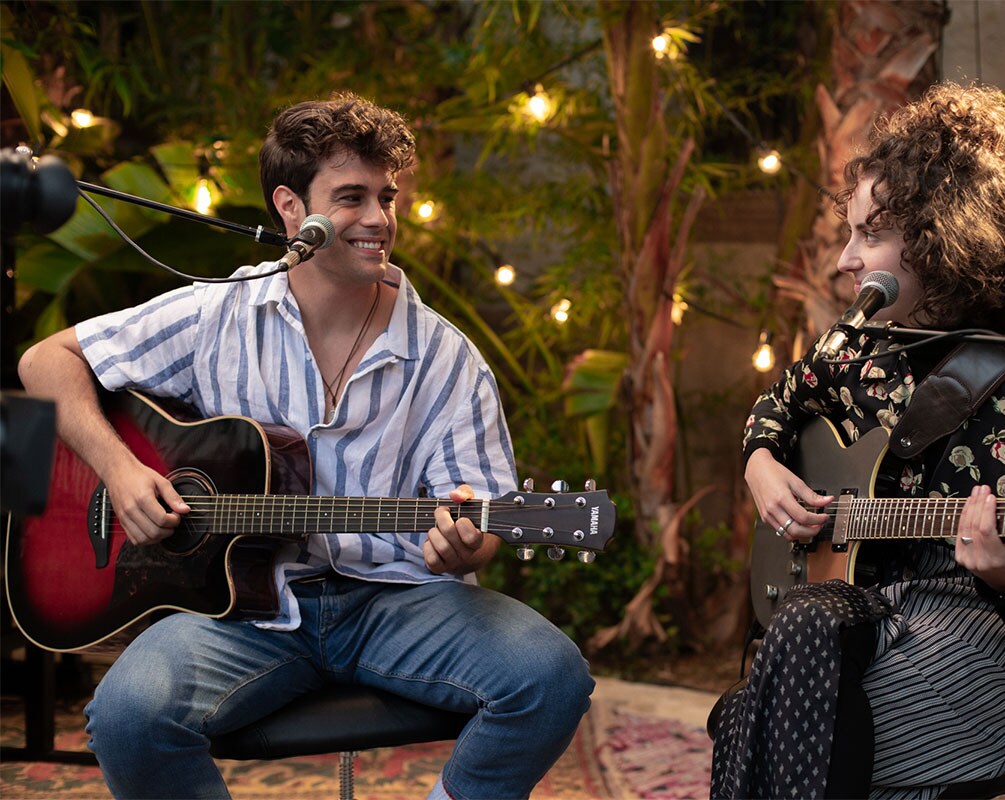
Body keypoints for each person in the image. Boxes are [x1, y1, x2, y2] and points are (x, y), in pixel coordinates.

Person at [17, 92, 594, 800]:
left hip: (398, 601)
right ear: (291, 208)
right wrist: (121, 470)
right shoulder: (215, 315)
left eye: (386, 197)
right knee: (127, 717)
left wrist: (467, 544)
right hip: (244, 615)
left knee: (551, 677)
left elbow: (481, 520)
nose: (379, 219)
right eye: (352, 197)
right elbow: (45, 361)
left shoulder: (447, 357)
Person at [710, 82, 1005, 799]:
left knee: (773, 724)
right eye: (849, 234)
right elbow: (778, 403)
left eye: (870, 236)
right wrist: (761, 463)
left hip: (987, 628)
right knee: (788, 689)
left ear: (940, 240)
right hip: (867, 603)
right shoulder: (858, 350)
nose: (845, 260)